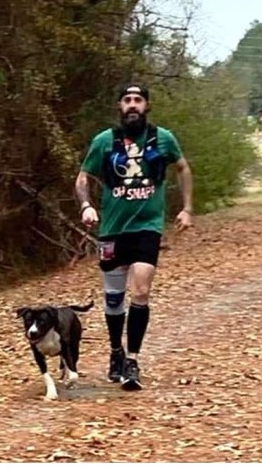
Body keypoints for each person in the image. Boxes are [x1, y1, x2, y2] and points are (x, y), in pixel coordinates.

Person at [74, 84, 193, 391]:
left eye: (138, 100)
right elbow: (83, 177)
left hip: (147, 227)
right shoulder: (105, 141)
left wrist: (187, 208)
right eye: (127, 100)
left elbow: (182, 168)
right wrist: (86, 205)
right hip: (113, 228)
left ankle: (133, 361)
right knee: (114, 300)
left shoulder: (162, 138)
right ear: (119, 106)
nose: (132, 105)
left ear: (147, 106)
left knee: (140, 290)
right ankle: (116, 351)